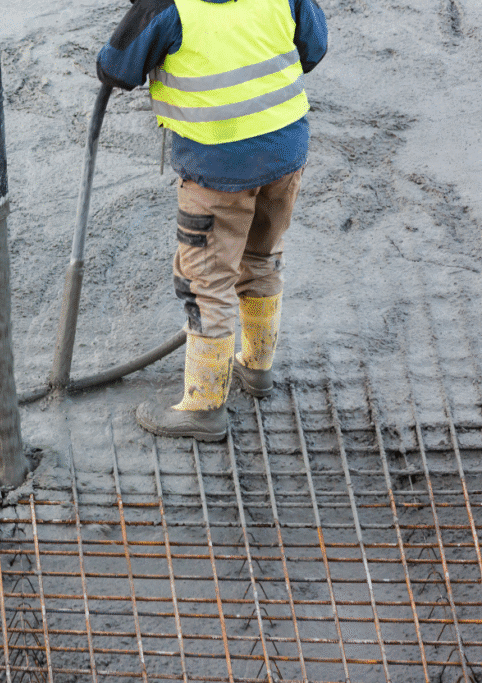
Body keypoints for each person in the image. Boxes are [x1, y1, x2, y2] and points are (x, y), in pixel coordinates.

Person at [96, 0, 328, 440]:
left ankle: (203, 407)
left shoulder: (167, 7)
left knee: (207, 283)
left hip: (218, 168)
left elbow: (115, 68)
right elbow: (313, 50)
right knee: (262, 258)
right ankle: (257, 369)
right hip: (285, 151)